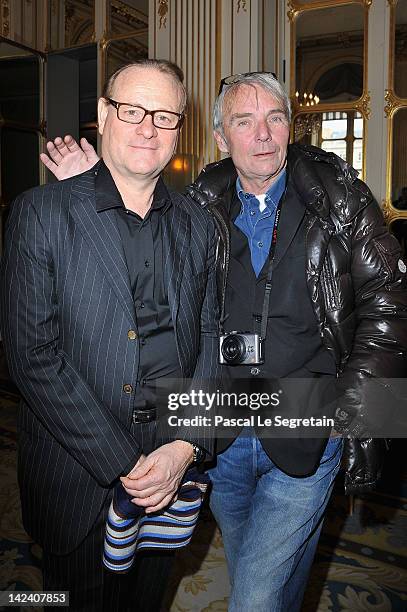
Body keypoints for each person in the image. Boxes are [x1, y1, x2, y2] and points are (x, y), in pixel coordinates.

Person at [38, 71, 407, 612]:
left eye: (275, 118)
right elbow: (135, 274)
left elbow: (391, 302)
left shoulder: (343, 200)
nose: (262, 134)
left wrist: (364, 423)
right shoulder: (196, 207)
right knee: (264, 573)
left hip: (309, 420)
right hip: (222, 432)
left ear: (290, 127)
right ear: (220, 137)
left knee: (253, 598)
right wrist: (90, 184)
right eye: (244, 121)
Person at [0, 59, 220, 611]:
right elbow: (31, 356)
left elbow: (215, 341)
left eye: (164, 115)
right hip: (81, 475)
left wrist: (185, 446)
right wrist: (125, 462)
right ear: (103, 115)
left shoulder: (199, 226)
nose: (148, 127)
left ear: (179, 129)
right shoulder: (41, 214)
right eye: (132, 110)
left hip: (172, 468)